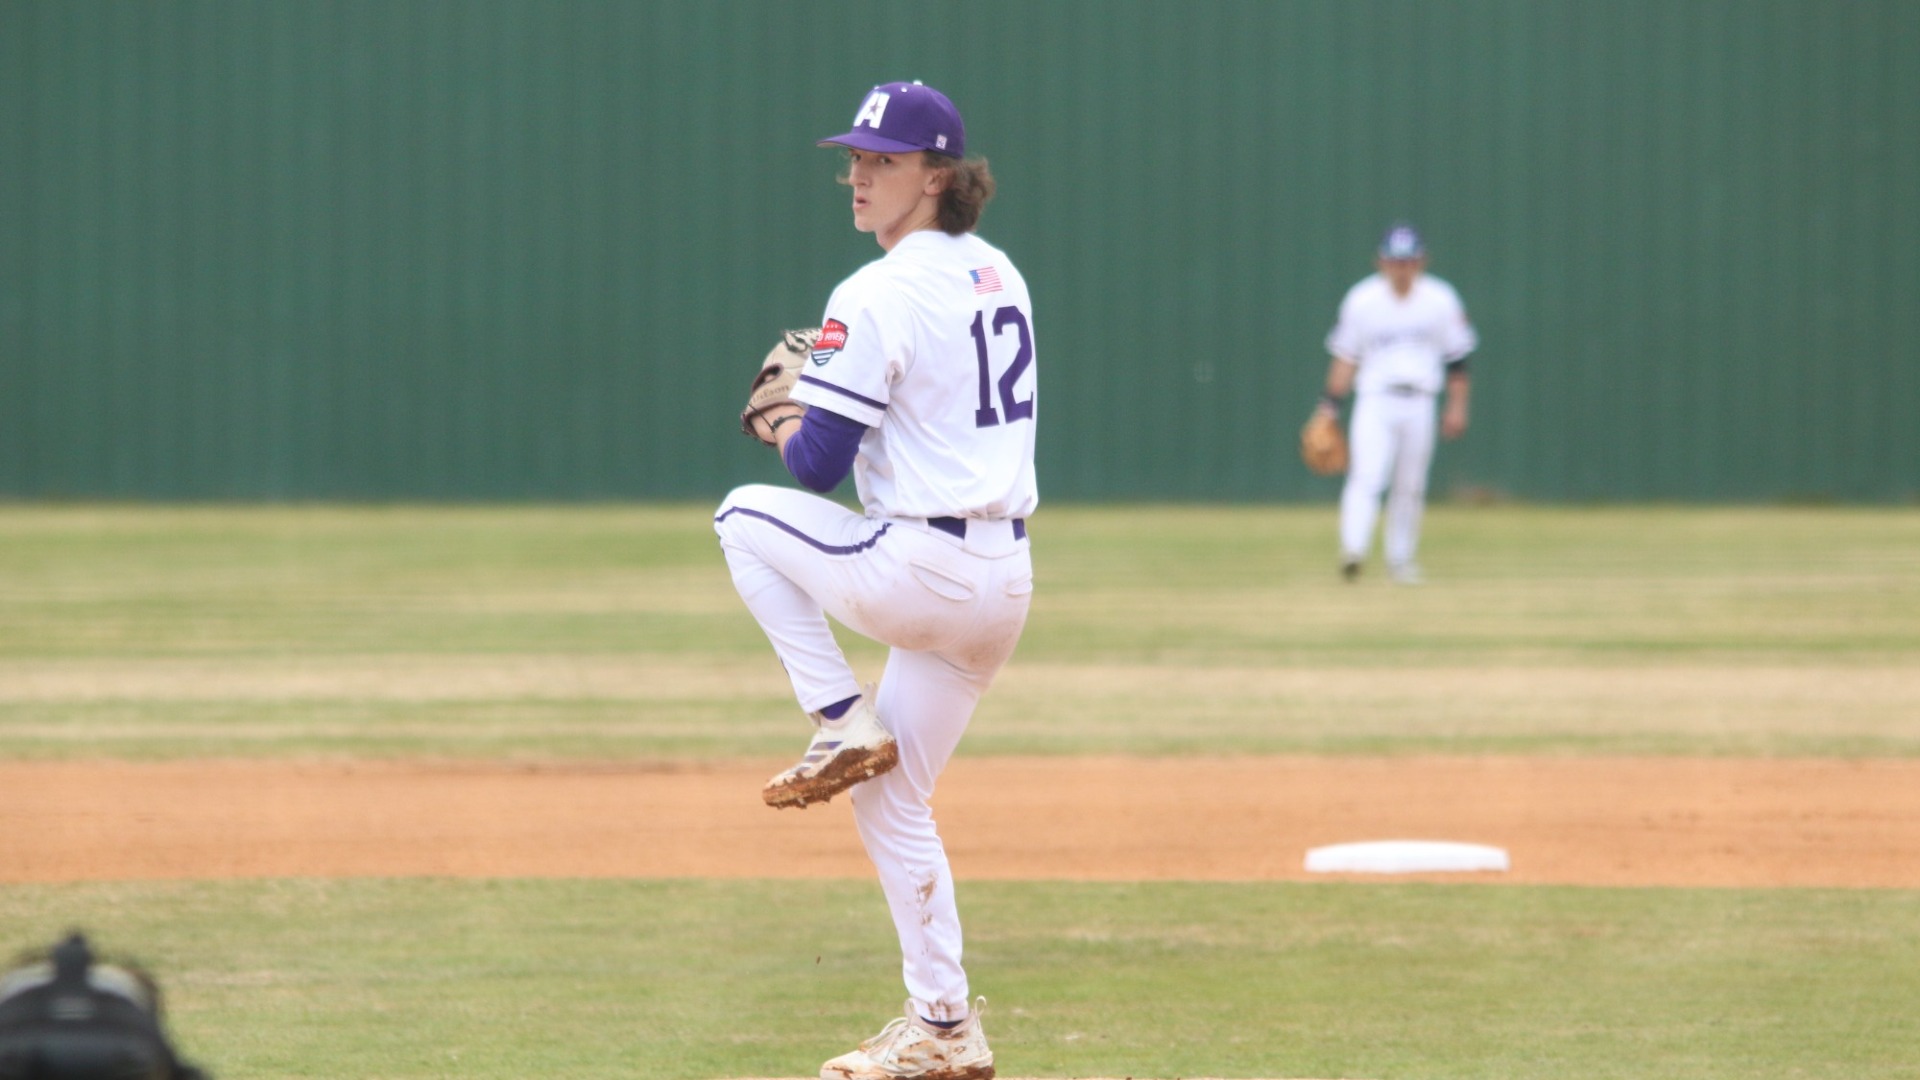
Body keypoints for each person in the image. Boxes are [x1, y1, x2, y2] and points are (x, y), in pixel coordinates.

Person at [713, 80, 1034, 1080]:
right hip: (1004, 579)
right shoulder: (1000, 272)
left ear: (936, 176)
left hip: (922, 567)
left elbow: (812, 467)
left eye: (882, 160)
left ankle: (834, 715)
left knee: (742, 517)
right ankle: (943, 1028)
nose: (857, 174)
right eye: (854, 156)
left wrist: (787, 416)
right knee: (892, 802)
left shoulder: (875, 291)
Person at [1315, 223, 1478, 584]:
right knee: (1366, 476)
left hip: (1420, 399)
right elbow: (1345, 357)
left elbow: (1457, 360)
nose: (1401, 269)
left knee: (1410, 485)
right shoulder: (1362, 299)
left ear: (1422, 261)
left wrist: (1457, 406)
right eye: (1394, 261)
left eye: (1408, 261)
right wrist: (1329, 407)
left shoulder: (1440, 299)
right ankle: (1353, 550)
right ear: (1381, 262)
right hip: (1375, 399)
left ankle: (1400, 561)